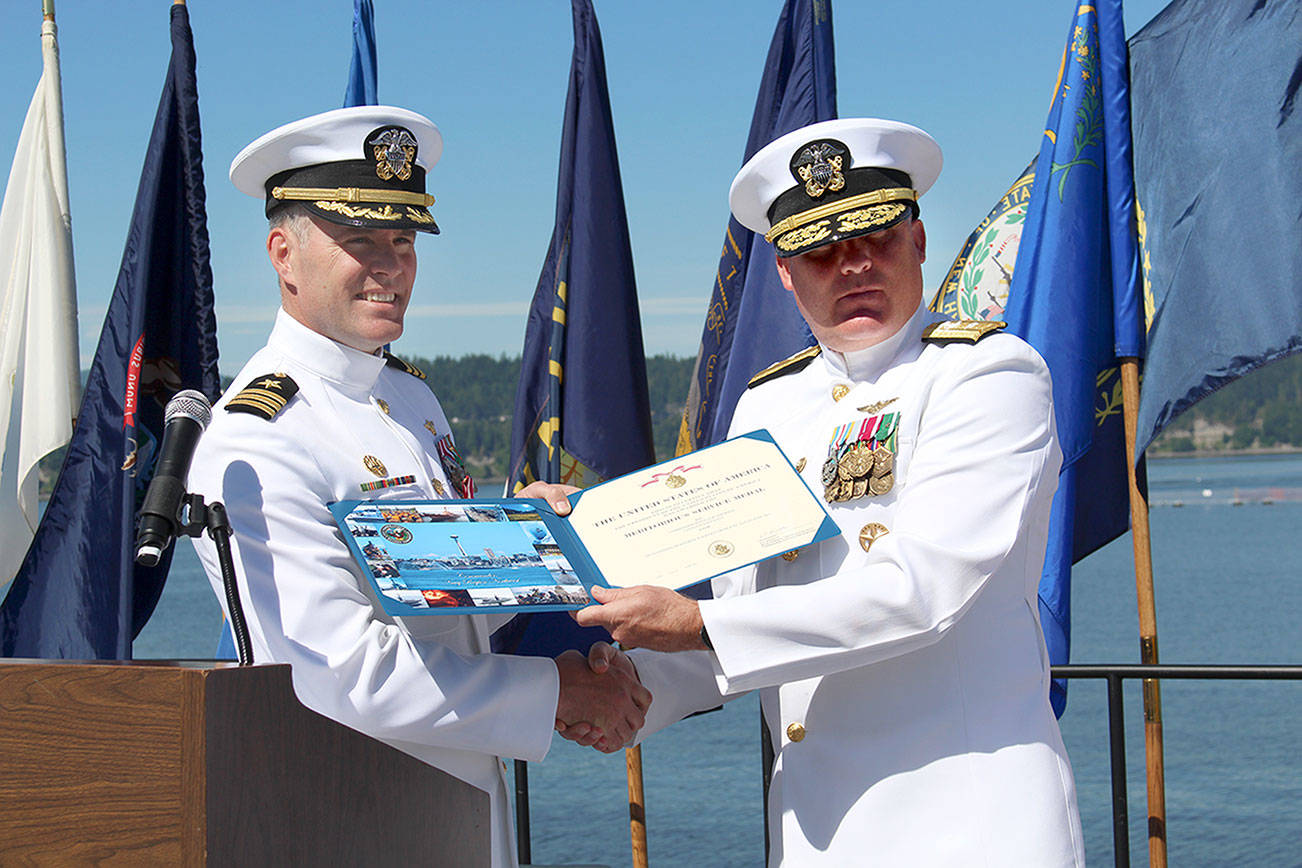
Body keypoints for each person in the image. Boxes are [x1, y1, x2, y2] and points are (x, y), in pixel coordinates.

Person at [574, 118, 1086, 865]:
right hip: (818, 830)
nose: (853, 267)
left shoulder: (988, 376)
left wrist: (697, 626)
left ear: (916, 240)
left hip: (972, 826)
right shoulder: (767, 406)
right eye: (821, 251)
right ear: (785, 273)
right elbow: (744, 611)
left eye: (875, 239)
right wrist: (630, 691)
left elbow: (920, 591)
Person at [188, 105, 647, 868]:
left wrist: (520, 538)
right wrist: (556, 695)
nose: (391, 265)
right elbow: (342, 671)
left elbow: (447, 607)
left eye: (402, 239)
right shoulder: (259, 438)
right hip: (355, 821)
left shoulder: (411, 400)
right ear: (283, 254)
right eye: (360, 240)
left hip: (459, 814)